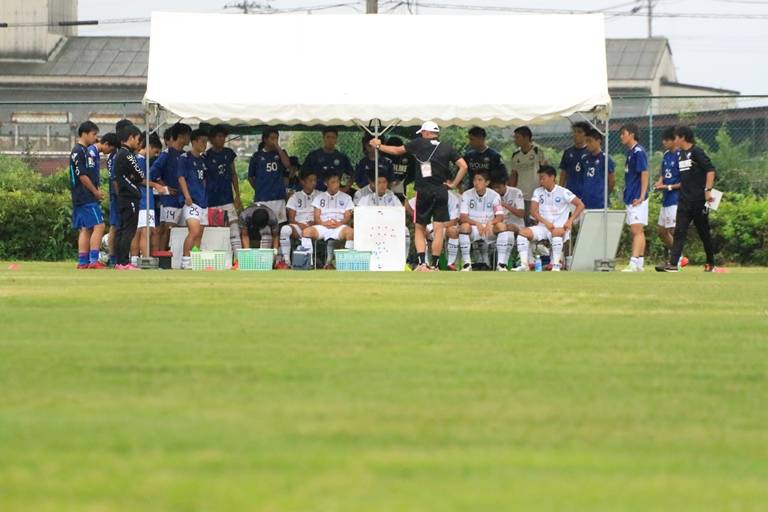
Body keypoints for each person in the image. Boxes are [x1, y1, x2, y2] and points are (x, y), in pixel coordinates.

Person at [370, 121, 468, 271]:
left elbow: (396, 151)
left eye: (422, 133)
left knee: (420, 229)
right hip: (441, 191)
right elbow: (463, 166)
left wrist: (378, 145)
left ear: (427, 132)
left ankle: (422, 264)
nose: (422, 135)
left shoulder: (418, 143)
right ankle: (435, 266)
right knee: (438, 230)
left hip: (423, 191)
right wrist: (453, 184)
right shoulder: (448, 147)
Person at [656, 126, 718, 273]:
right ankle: (673, 264)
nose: (674, 140)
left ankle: (710, 264)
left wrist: (707, 191)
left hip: (698, 200)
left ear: (682, 138)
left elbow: (710, 170)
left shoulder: (696, 152)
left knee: (704, 233)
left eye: (676, 137)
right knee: (679, 232)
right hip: (684, 200)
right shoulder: (681, 154)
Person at [513, 166, 584, 272]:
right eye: (540, 179)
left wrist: (570, 221)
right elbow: (533, 211)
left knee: (556, 232)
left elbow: (580, 205)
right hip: (543, 227)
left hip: (559, 227)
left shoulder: (563, 191)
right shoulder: (538, 191)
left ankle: (555, 265)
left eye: (543, 178)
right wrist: (545, 223)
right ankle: (525, 264)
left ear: (552, 177)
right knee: (522, 233)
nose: (541, 181)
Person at [114, 124, 165, 270]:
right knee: (130, 231)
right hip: (130, 197)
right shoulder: (128, 155)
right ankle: (124, 262)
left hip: (125, 197)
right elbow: (139, 175)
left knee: (125, 230)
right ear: (130, 138)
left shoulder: (121, 154)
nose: (138, 142)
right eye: (137, 139)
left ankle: (121, 261)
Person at [69, 120, 106, 269]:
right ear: (84, 134)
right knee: (99, 225)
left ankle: (83, 261)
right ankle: (94, 259)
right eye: (93, 134)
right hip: (85, 195)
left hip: (83, 195)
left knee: (86, 227)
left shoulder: (85, 151)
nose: (95, 138)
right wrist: (95, 192)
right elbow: (82, 175)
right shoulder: (78, 151)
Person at [458, 170, 512, 271]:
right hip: (474, 229)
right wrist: (477, 223)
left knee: (501, 226)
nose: (476, 182)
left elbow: (500, 216)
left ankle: (501, 264)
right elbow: (463, 217)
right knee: (464, 226)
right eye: (475, 180)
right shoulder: (466, 194)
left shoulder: (494, 195)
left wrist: (490, 223)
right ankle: (467, 264)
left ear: (487, 183)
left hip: (488, 229)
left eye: (480, 180)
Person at [299, 173, 355, 269]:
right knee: (306, 232)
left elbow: (348, 216)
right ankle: (308, 263)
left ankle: (348, 263)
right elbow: (316, 217)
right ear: (326, 183)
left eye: (337, 182)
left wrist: (339, 223)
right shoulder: (319, 197)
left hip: (339, 227)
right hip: (323, 226)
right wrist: (324, 223)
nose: (336, 185)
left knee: (351, 233)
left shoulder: (346, 197)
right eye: (333, 182)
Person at [204, 124, 242, 258]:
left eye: (224, 137)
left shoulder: (228, 153)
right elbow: (203, 179)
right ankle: (216, 258)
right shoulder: (206, 156)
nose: (222, 139)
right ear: (212, 139)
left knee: (234, 227)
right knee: (214, 230)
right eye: (219, 136)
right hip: (211, 199)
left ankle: (238, 259)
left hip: (227, 198)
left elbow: (233, 175)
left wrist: (237, 196)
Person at [652, 127, 687, 267]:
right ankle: (679, 257)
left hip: (676, 198)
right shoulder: (666, 155)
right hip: (666, 198)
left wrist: (668, 187)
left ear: (674, 140)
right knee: (662, 231)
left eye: (667, 140)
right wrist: (660, 182)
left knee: (673, 229)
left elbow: (685, 181)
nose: (664, 142)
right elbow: (663, 173)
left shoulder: (681, 156)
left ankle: (677, 258)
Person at [153, 122, 191, 251]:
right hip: (170, 200)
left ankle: (176, 256)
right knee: (167, 229)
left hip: (183, 200)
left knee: (180, 231)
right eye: (188, 135)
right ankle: (162, 256)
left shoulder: (186, 155)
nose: (190, 138)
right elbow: (153, 172)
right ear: (180, 136)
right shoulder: (167, 154)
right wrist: (165, 188)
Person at [130, 132, 166, 266]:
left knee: (139, 231)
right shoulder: (140, 160)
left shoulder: (138, 159)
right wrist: (156, 185)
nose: (154, 155)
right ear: (150, 147)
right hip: (144, 200)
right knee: (146, 231)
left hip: (141, 199)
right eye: (155, 152)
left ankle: (135, 260)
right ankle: (145, 259)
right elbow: (140, 179)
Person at [177, 129, 209, 270]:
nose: (205, 144)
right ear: (194, 142)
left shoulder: (202, 160)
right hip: (191, 201)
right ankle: (185, 260)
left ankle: (194, 258)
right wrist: (187, 196)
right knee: (194, 231)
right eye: (202, 141)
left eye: (206, 141)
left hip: (203, 201)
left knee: (200, 232)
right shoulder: (185, 158)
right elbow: (181, 177)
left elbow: (204, 180)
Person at [619, 123, 650, 272]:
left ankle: (633, 262)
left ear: (631, 134)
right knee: (638, 230)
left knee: (636, 229)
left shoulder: (638, 152)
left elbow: (644, 173)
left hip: (637, 197)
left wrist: (642, 196)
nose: (621, 137)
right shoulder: (631, 152)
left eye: (623, 134)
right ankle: (639, 263)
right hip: (631, 195)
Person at [106, 119, 136, 266]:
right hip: (118, 195)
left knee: (121, 226)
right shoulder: (117, 154)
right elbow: (115, 179)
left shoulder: (123, 152)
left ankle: (118, 258)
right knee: (116, 226)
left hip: (121, 194)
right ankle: (113, 258)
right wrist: (121, 195)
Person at [508, 126, 549, 227]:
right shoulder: (515, 156)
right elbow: (514, 175)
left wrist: (546, 189)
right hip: (521, 194)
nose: (515, 140)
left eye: (517, 137)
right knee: (523, 221)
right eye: (514, 137)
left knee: (535, 221)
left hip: (536, 194)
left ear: (526, 138)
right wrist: (511, 193)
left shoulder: (538, 152)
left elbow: (547, 172)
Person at [248, 128, 290, 225]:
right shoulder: (257, 156)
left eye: (277, 138)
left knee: (279, 223)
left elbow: (287, 164)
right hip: (262, 197)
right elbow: (251, 177)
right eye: (272, 138)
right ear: (265, 140)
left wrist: (278, 148)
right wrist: (259, 189)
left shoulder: (281, 153)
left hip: (278, 196)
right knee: (263, 223)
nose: (275, 141)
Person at [280, 169, 320, 268]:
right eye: (310, 181)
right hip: (299, 225)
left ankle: (308, 263)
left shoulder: (320, 195)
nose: (314, 183)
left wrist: (315, 221)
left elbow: (323, 215)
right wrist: (299, 224)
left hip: (315, 226)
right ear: (303, 182)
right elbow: (291, 219)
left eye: (315, 180)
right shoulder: (295, 197)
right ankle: (287, 261)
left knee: (308, 233)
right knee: (285, 229)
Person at [301, 127, 354, 192]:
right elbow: (301, 173)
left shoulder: (341, 157)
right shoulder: (314, 155)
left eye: (333, 138)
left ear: (336, 139)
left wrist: (346, 188)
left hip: (335, 193)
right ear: (323, 138)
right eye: (328, 137)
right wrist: (307, 189)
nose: (330, 140)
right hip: (317, 192)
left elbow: (353, 174)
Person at [581, 128, 616, 210]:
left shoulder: (605, 159)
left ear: (598, 141)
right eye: (586, 141)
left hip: (600, 203)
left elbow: (612, 181)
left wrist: (603, 193)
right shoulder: (585, 159)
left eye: (590, 141)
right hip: (586, 202)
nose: (587, 144)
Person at [463, 126, 507, 190]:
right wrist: (461, 190)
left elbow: (503, 176)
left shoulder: (494, 156)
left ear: (481, 139)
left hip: (489, 191)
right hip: (472, 191)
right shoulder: (468, 156)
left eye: (472, 139)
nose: (470, 142)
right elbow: (459, 172)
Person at [558, 122, 591, 200]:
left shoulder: (590, 152)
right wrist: (560, 190)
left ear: (586, 135)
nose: (576, 135)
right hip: (570, 192)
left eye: (579, 132)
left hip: (585, 193)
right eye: (574, 131)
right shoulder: (568, 152)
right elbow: (564, 173)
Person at [385, 136, 415, 203]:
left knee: (399, 204)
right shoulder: (384, 156)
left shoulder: (409, 157)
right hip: (385, 188)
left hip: (400, 188)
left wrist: (403, 182)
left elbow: (413, 173)